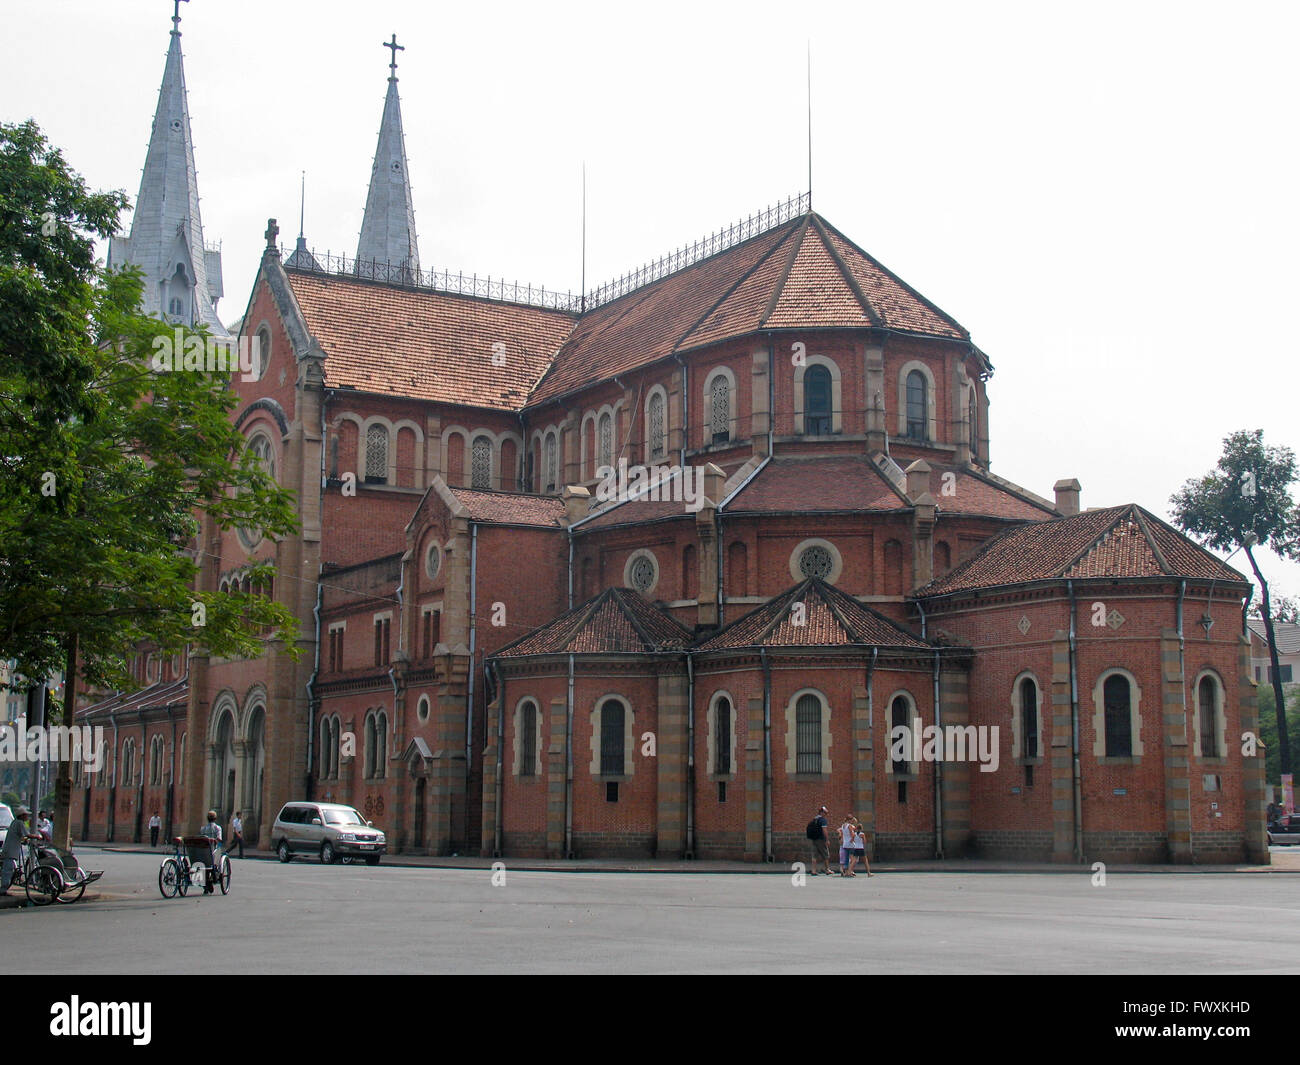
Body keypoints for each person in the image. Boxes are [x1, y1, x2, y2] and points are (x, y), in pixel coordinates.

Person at [0, 806, 40, 895]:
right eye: (26, 815)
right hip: (10, 851)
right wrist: (38, 837)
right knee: (8, 871)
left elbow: (21, 836)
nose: (27, 817)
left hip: (10, 851)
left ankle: (5, 888)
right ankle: (2, 890)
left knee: (11, 871)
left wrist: (25, 840)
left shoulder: (15, 822)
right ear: (22, 815)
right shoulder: (19, 823)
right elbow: (27, 834)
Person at [198, 810, 223, 894]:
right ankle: (212, 879)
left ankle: (206, 884)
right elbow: (219, 839)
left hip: (203, 852)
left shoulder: (203, 829)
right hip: (212, 851)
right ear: (215, 818)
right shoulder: (217, 828)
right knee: (217, 853)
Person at [806, 805, 834, 876]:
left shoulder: (814, 819)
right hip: (821, 839)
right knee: (825, 854)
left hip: (814, 839)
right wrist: (827, 839)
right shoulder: (822, 820)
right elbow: (824, 830)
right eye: (825, 813)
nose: (826, 814)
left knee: (814, 855)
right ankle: (827, 869)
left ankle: (813, 870)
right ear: (822, 812)